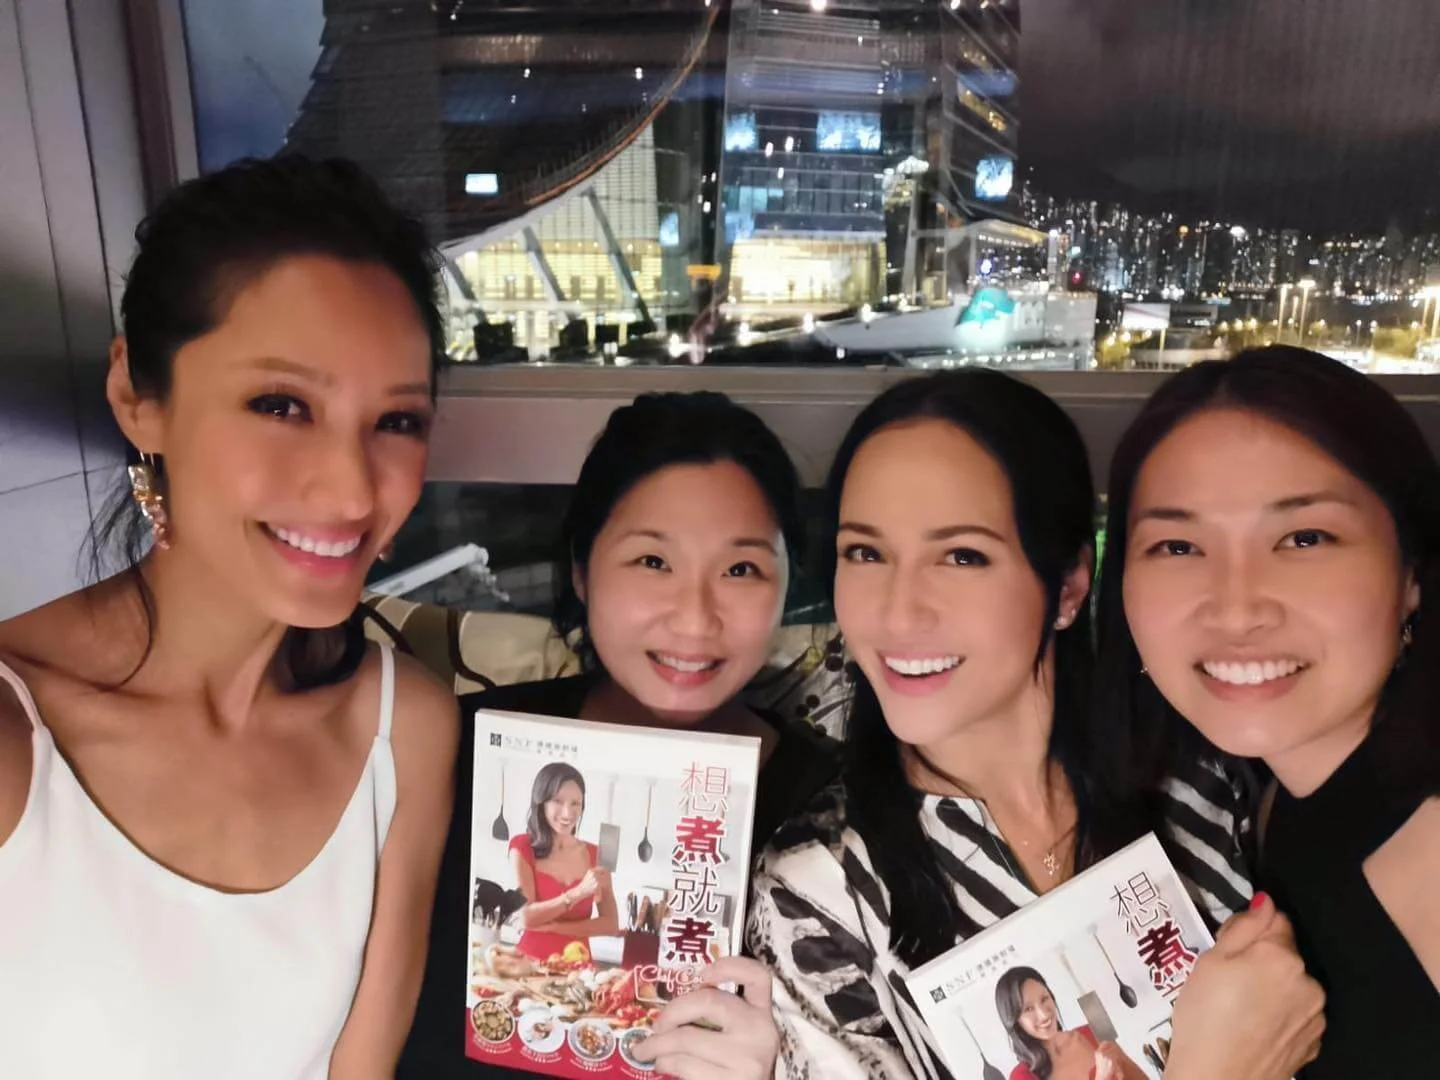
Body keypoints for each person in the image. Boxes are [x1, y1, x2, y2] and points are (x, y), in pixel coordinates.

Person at [0, 156, 460, 1080]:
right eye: (281, 405)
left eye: (397, 422)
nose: (352, 490)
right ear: (137, 398)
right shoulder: (16, 736)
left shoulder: (401, 730)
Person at [747, 369, 1324, 1080]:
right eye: (865, 553)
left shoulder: (1201, 772)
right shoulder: (818, 889)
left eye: (962, 556)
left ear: (1069, 586)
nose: (898, 611)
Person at [399, 391, 840, 1079]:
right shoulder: (457, 752)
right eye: (653, 562)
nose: (694, 618)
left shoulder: (838, 813)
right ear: (582, 570)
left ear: (788, 587)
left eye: (741, 569)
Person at [1094, 345, 1440, 1077]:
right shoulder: (1255, 793)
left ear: (1412, 572)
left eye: (1304, 538)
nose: (1237, 608)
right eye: (1178, 545)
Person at [509, 762, 619, 959]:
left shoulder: (597, 854)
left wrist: (556, 928)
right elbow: (525, 917)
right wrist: (578, 893)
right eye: (557, 801)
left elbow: (610, 924)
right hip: (529, 964)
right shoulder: (522, 847)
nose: (568, 813)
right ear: (541, 802)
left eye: (575, 803)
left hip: (578, 966)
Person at [993, 966, 1143, 1080]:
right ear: (1015, 1020)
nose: (1044, 1014)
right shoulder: (1020, 1076)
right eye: (1028, 1009)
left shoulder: (1095, 1027)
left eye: (1044, 999)